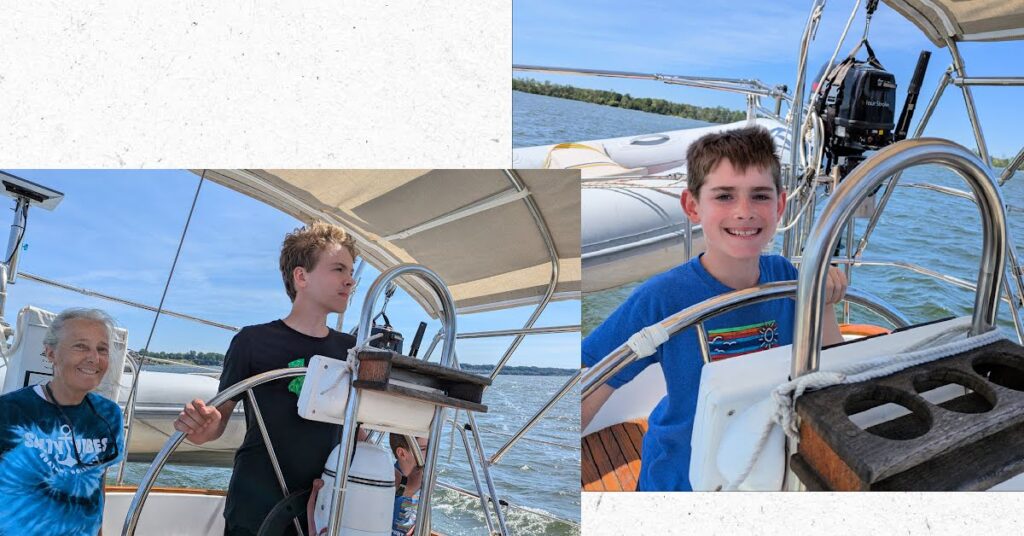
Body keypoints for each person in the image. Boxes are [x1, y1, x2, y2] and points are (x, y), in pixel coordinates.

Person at [581, 126, 848, 491]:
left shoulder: (786, 278)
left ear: (779, 206)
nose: (744, 212)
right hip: (678, 480)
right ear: (693, 206)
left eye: (760, 196)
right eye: (724, 196)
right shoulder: (663, 297)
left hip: (764, 466)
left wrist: (825, 302)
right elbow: (591, 382)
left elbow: (830, 376)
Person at [173, 221, 359, 535]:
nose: (350, 280)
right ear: (301, 276)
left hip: (324, 508)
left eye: (351, 272)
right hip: (256, 507)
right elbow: (219, 418)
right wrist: (203, 428)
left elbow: (355, 429)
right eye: (338, 269)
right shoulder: (252, 341)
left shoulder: (351, 350)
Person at [0, 308, 125, 535]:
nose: (94, 358)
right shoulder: (9, 411)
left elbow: (97, 485)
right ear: (51, 353)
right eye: (81, 346)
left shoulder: (109, 415)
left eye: (102, 349)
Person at [390, 434, 428, 536]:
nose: (429, 454)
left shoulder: (423, 479)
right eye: (423, 449)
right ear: (402, 453)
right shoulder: (388, 479)